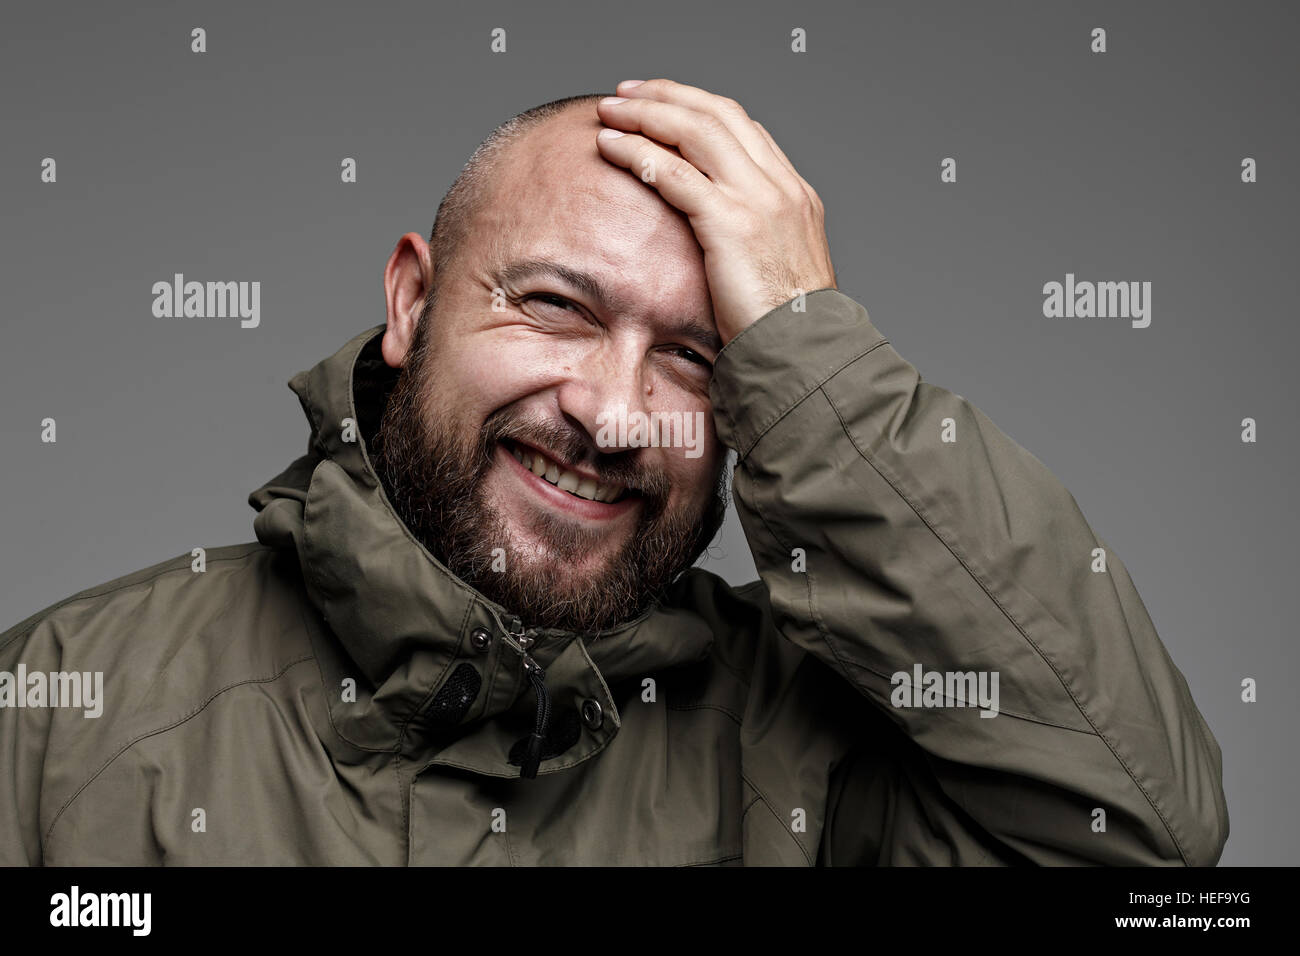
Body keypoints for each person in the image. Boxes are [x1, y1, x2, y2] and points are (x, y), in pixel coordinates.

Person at [0, 79, 1228, 865]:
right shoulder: (63, 712)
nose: (612, 413)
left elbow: (1137, 835)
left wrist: (812, 351)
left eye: (697, 358)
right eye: (552, 306)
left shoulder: (810, 756)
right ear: (412, 301)